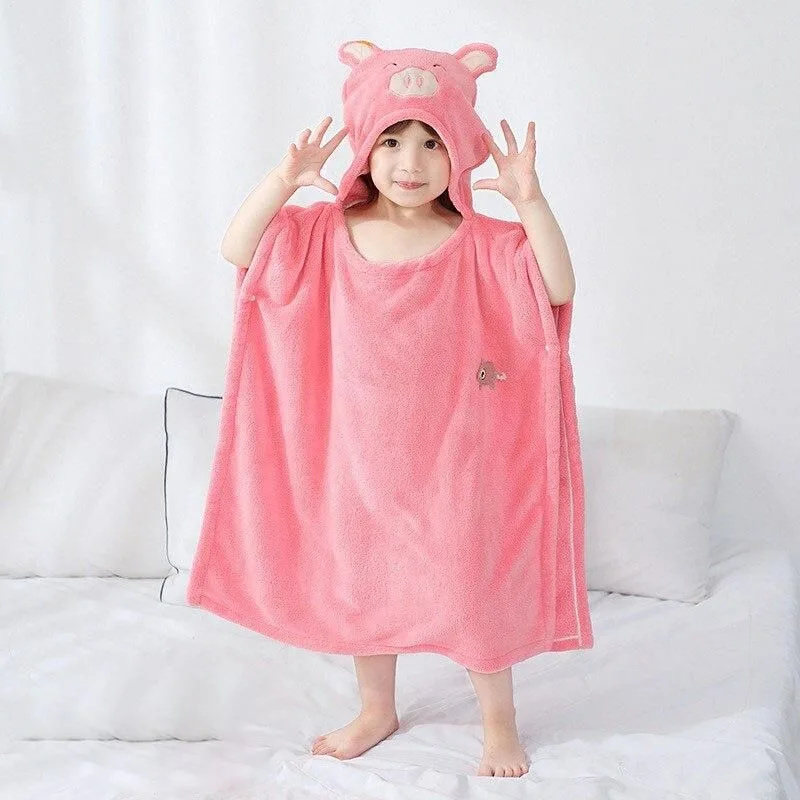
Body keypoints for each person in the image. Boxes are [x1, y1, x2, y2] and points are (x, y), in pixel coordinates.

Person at [195, 42, 592, 780]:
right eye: (391, 139)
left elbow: (558, 288)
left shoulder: (482, 244)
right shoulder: (320, 233)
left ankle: (498, 724)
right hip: (357, 453)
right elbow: (237, 248)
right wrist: (283, 180)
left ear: (461, 151)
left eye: (432, 142)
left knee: (470, 587)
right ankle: (377, 709)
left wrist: (530, 202)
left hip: (455, 457)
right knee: (364, 583)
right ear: (363, 147)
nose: (411, 161)